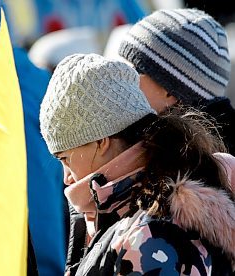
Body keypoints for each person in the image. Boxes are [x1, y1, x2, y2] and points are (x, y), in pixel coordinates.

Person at [39, 53, 235, 275]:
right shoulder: (134, 206)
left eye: (65, 159)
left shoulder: (147, 234)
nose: (66, 177)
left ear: (100, 142)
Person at [118, 8, 235, 154]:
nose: (119, 76)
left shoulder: (194, 164)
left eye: (133, 71)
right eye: (120, 66)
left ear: (169, 90)